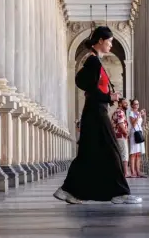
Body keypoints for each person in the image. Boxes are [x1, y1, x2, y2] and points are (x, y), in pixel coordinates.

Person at [54, 26, 142, 205]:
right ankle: (120, 193)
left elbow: (91, 88)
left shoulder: (95, 61)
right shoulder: (93, 62)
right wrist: (109, 96)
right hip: (96, 113)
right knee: (113, 150)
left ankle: (66, 190)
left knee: (88, 154)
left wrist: (108, 98)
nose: (111, 45)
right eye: (109, 41)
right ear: (100, 40)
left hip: (96, 111)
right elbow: (88, 88)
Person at [112, 98, 130, 177]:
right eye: (125, 103)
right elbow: (121, 124)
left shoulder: (117, 111)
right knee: (124, 154)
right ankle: (125, 173)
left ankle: (121, 172)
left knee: (119, 154)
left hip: (117, 135)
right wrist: (126, 133)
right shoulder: (120, 112)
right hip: (121, 136)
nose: (126, 104)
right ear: (120, 104)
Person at [128, 99, 146, 178]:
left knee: (138, 153)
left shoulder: (139, 113)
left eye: (138, 104)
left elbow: (143, 124)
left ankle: (138, 171)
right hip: (134, 133)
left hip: (139, 132)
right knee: (133, 153)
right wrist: (138, 116)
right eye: (135, 104)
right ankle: (133, 172)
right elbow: (133, 124)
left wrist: (144, 116)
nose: (137, 105)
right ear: (132, 105)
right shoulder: (131, 113)